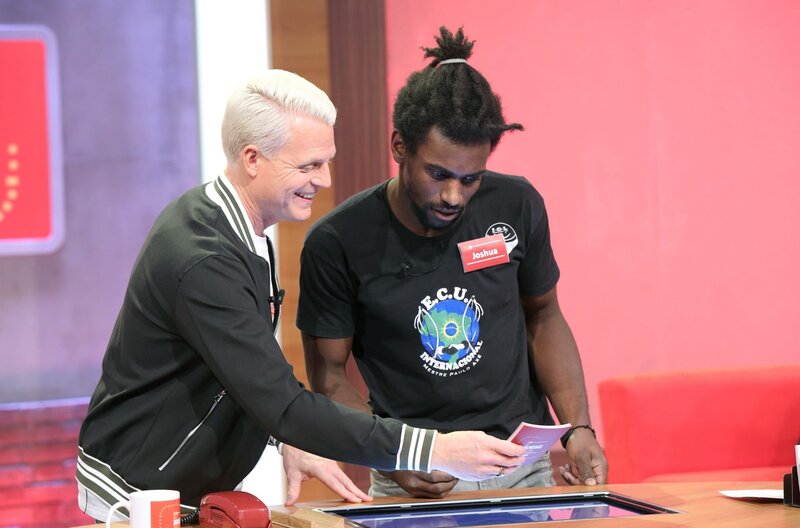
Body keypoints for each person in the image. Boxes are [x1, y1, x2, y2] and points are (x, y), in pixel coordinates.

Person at [76, 69, 526, 522]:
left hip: (181, 487)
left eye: (326, 161)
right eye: (308, 165)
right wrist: (435, 449)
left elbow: (244, 372)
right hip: (136, 494)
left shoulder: (239, 231)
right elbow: (284, 403)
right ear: (252, 158)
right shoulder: (205, 259)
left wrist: (286, 438)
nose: (325, 180)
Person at [298, 27, 608, 499]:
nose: (452, 196)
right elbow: (328, 375)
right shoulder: (338, 240)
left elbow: (543, 316)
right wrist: (393, 453)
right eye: (438, 174)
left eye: (470, 179)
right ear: (400, 147)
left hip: (522, 468)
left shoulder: (517, 204)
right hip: (416, 475)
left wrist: (578, 427)